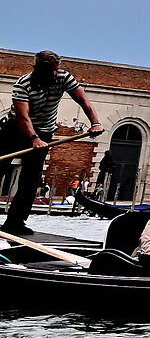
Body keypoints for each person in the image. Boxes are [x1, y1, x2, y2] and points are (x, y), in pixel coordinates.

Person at [4, 51, 104, 234]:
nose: (56, 73)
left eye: (57, 69)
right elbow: (22, 117)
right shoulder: (23, 84)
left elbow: (83, 100)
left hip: (44, 132)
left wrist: (95, 123)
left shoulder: (63, 77)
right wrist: (34, 139)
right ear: (38, 69)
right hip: (14, 130)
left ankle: (14, 223)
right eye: (52, 70)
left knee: (31, 180)